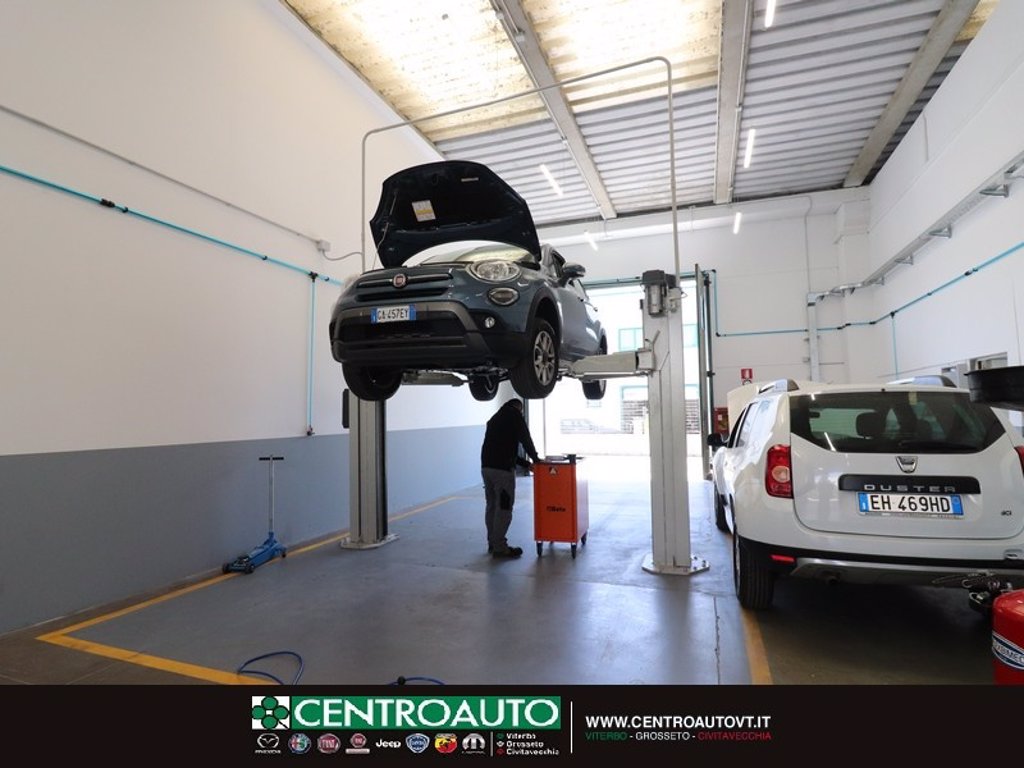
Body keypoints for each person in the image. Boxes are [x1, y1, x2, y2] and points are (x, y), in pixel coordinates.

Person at [481, 398, 541, 558]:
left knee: (492, 506)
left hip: (486, 469)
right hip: (502, 472)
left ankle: (492, 542)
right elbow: (526, 439)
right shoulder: (514, 415)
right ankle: (500, 547)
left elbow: (505, 450)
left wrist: (526, 464)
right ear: (518, 408)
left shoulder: (494, 419)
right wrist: (536, 460)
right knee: (504, 508)